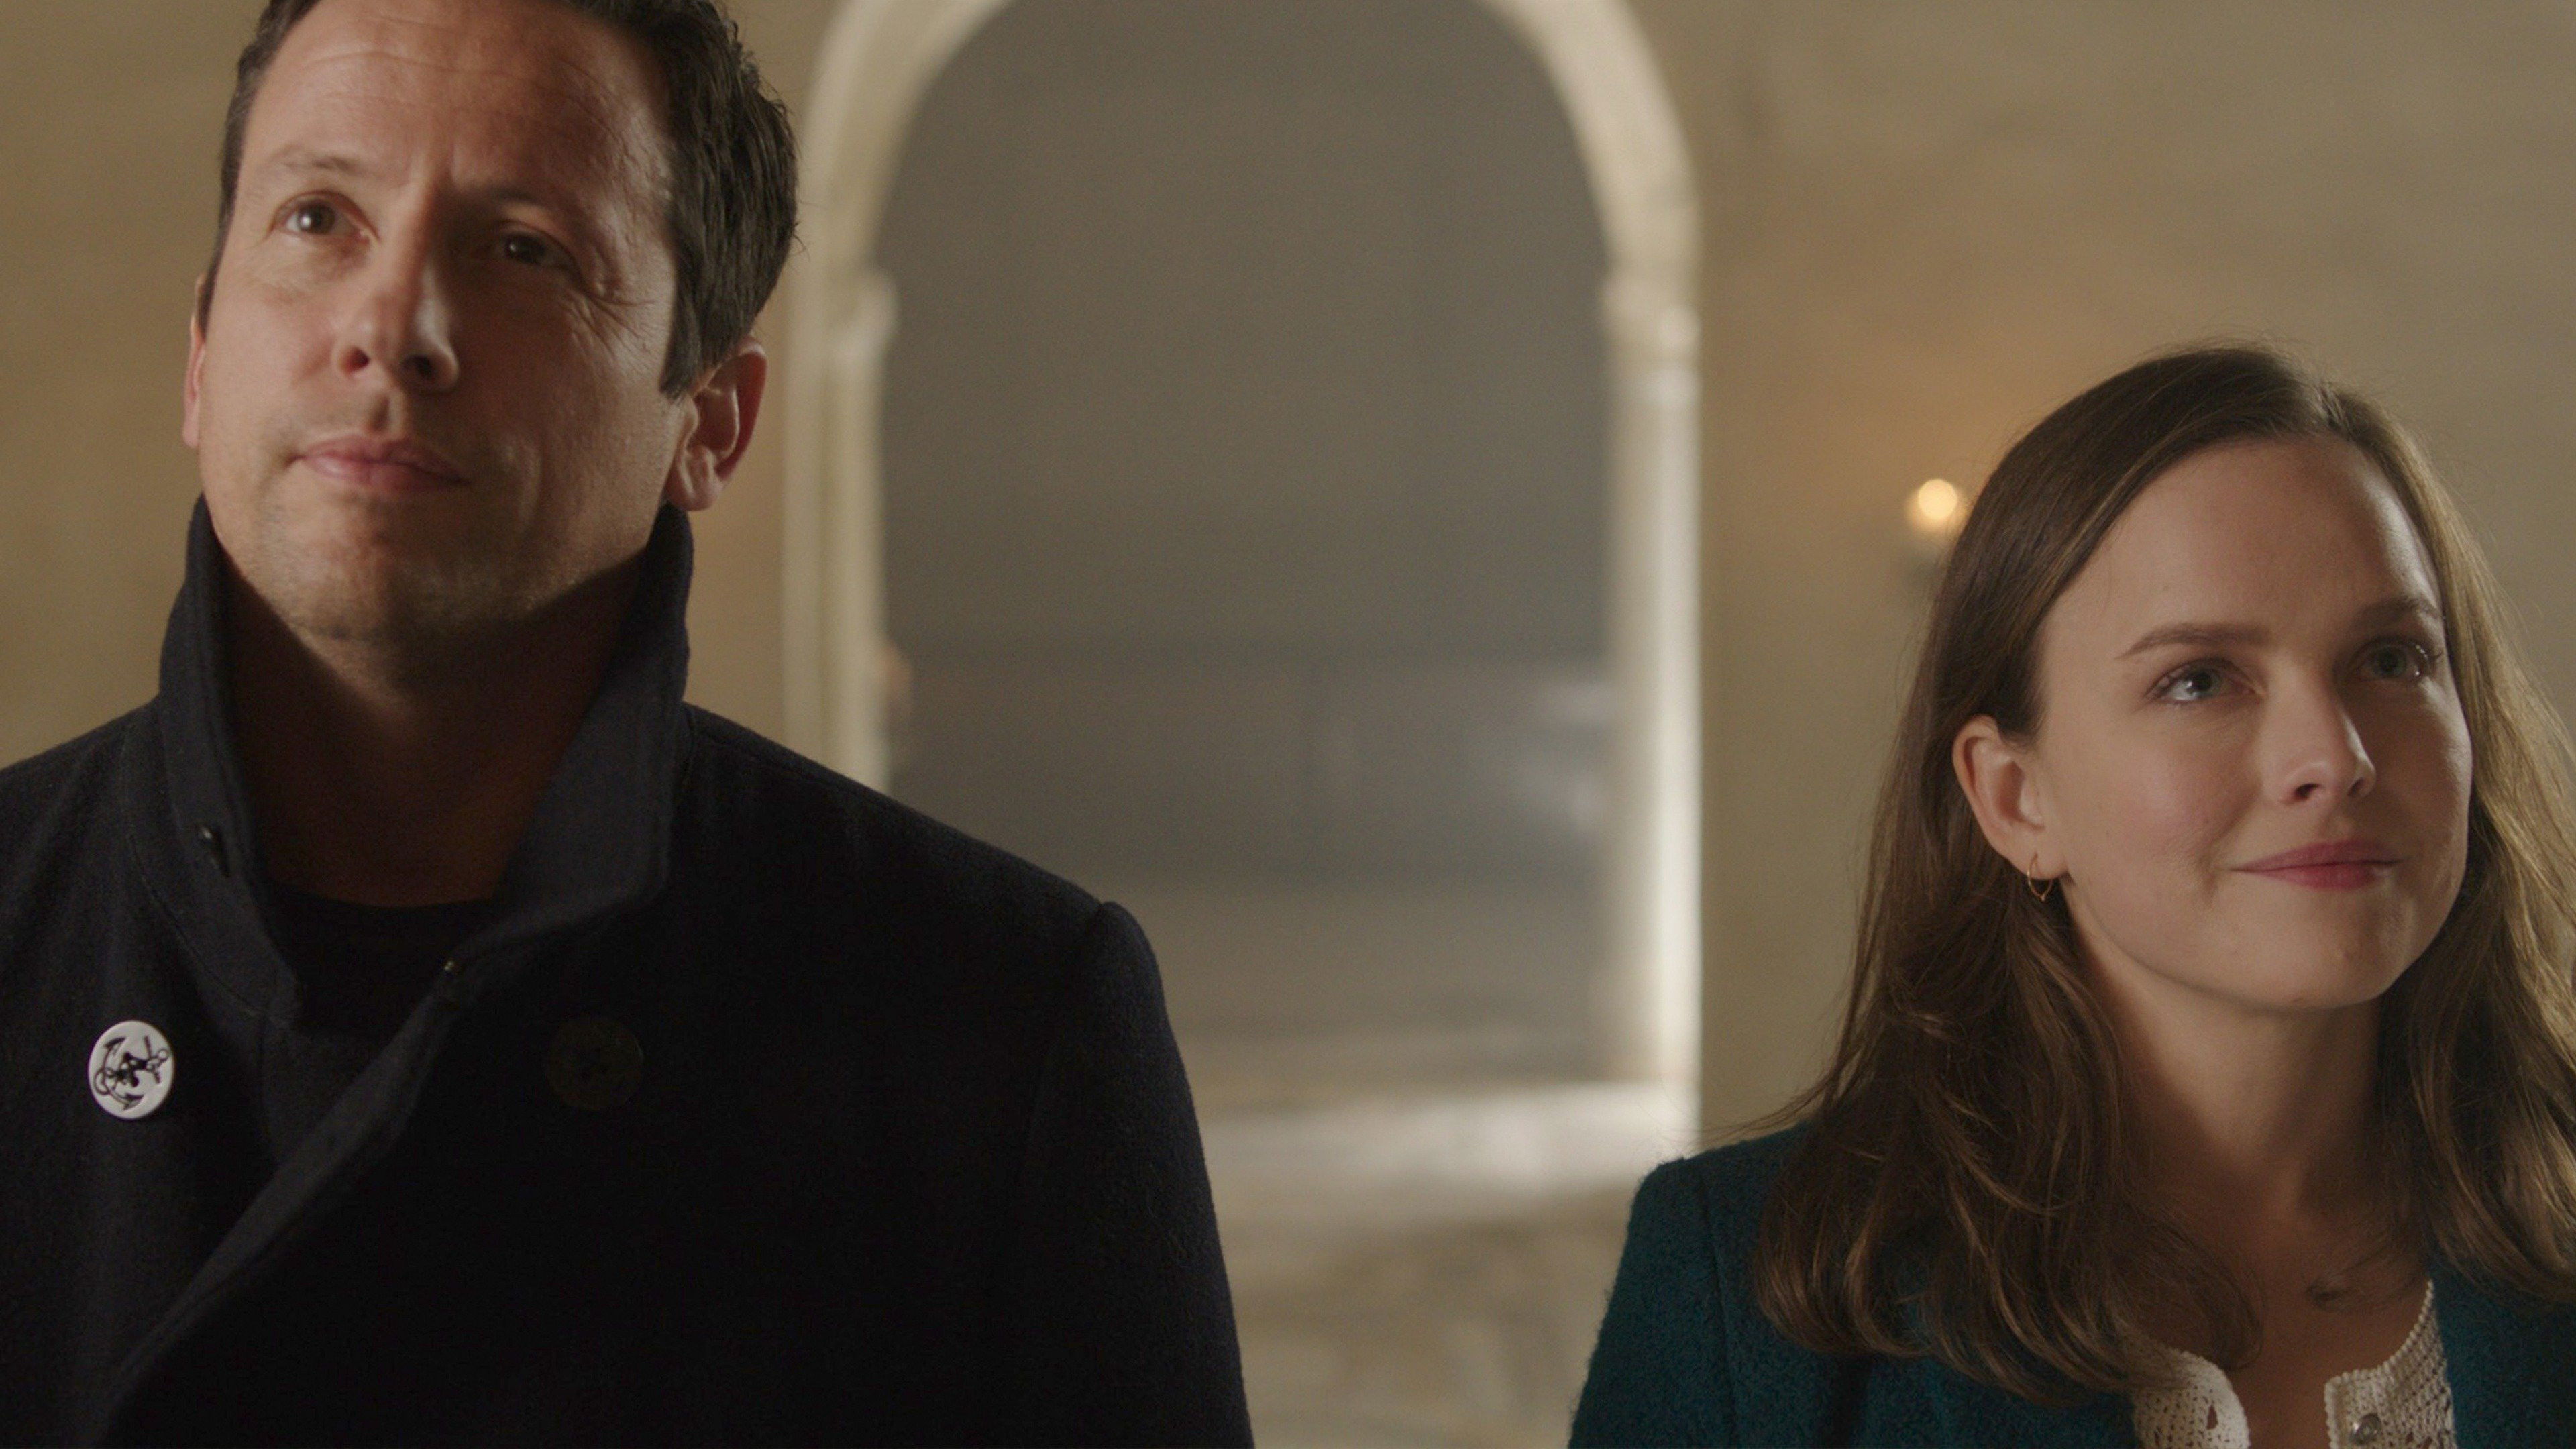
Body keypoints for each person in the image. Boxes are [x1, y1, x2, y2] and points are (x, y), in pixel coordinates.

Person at [0, 0, 1252, 1442]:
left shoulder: (1002, 1027)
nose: (391, 327)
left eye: (525, 249)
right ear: (201, 353)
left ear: (710, 420)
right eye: (316, 218)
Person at [1572, 345, 2576, 1447]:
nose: (2334, 759)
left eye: (2391, 660)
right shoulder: (1744, 1287)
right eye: (2199, 680)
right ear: (2015, 799)